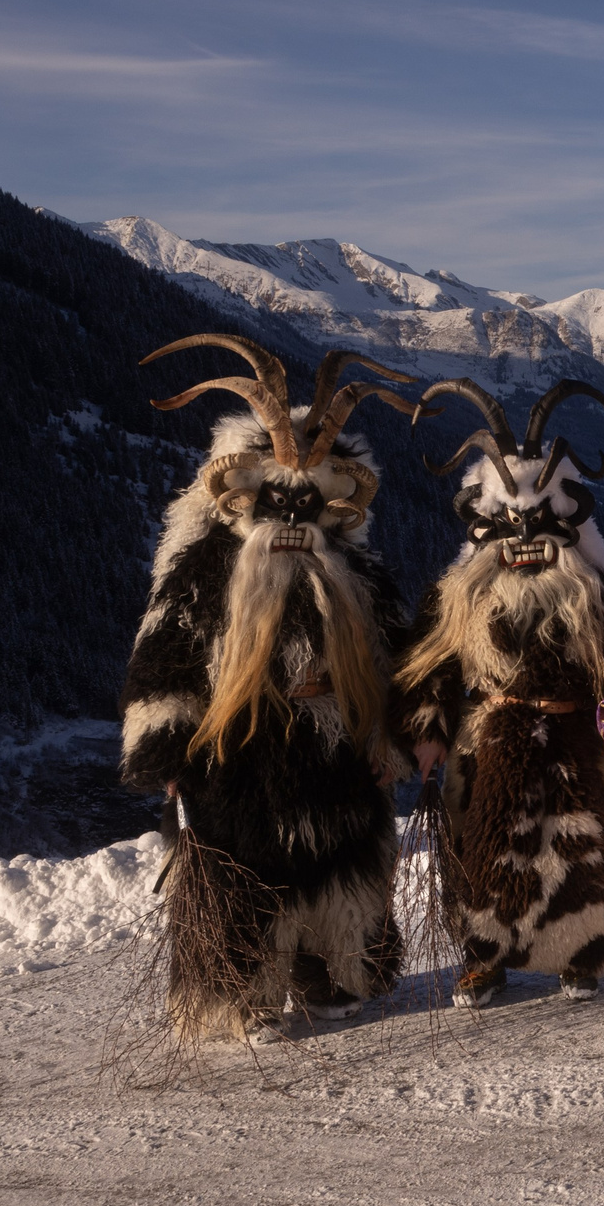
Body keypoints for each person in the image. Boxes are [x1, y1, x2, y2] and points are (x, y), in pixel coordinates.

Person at [120, 336, 416, 1041]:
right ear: (243, 497)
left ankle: (329, 973)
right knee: (243, 872)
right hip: (238, 748)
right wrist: (167, 749)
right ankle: (246, 993)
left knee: (340, 868)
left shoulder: (357, 577)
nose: (290, 516)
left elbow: (395, 664)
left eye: (306, 502)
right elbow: (165, 658)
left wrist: (396, 739)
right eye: (275, 500)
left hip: (334, 749)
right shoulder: (204, 571)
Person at [397, 379, 604, 1009]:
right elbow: (429, 665)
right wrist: (429, 730)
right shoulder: (461, 594)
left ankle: (581, 953)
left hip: (574, 735)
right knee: (483, 846)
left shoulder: (595, 593)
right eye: (509, 521)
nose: (525, 536)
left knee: (579, 844)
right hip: (489, 736)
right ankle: (484, 958)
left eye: (539, 519)